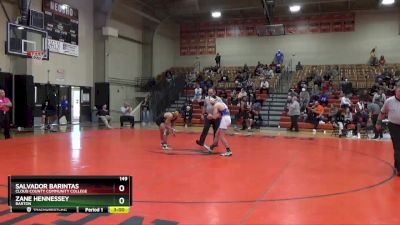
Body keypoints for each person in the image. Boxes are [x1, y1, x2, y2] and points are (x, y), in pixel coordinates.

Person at [376, 83, 400, 175]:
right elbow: (382, 112)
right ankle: (399, 169)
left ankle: (397, 164)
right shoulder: (389, 101)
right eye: (399, 91)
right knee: (398, 147)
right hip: (394, 126)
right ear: (395, 91)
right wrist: (378, 123)